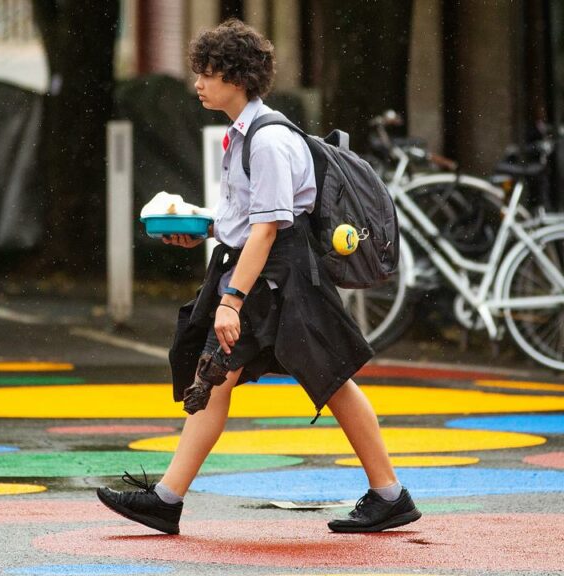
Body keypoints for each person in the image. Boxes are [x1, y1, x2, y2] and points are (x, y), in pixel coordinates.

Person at [96, 19, 421, 535]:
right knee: (218, 378)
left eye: (207, 73)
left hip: (280, 279)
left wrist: (231, 301)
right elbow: (249, 222)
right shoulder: (245, 134)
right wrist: (203, 229)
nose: (198, 83)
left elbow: (268, 230)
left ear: (236, 76)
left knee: (328, 379)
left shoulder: (267, 140)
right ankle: (167, 497)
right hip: (269, 274)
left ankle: (388, 494)